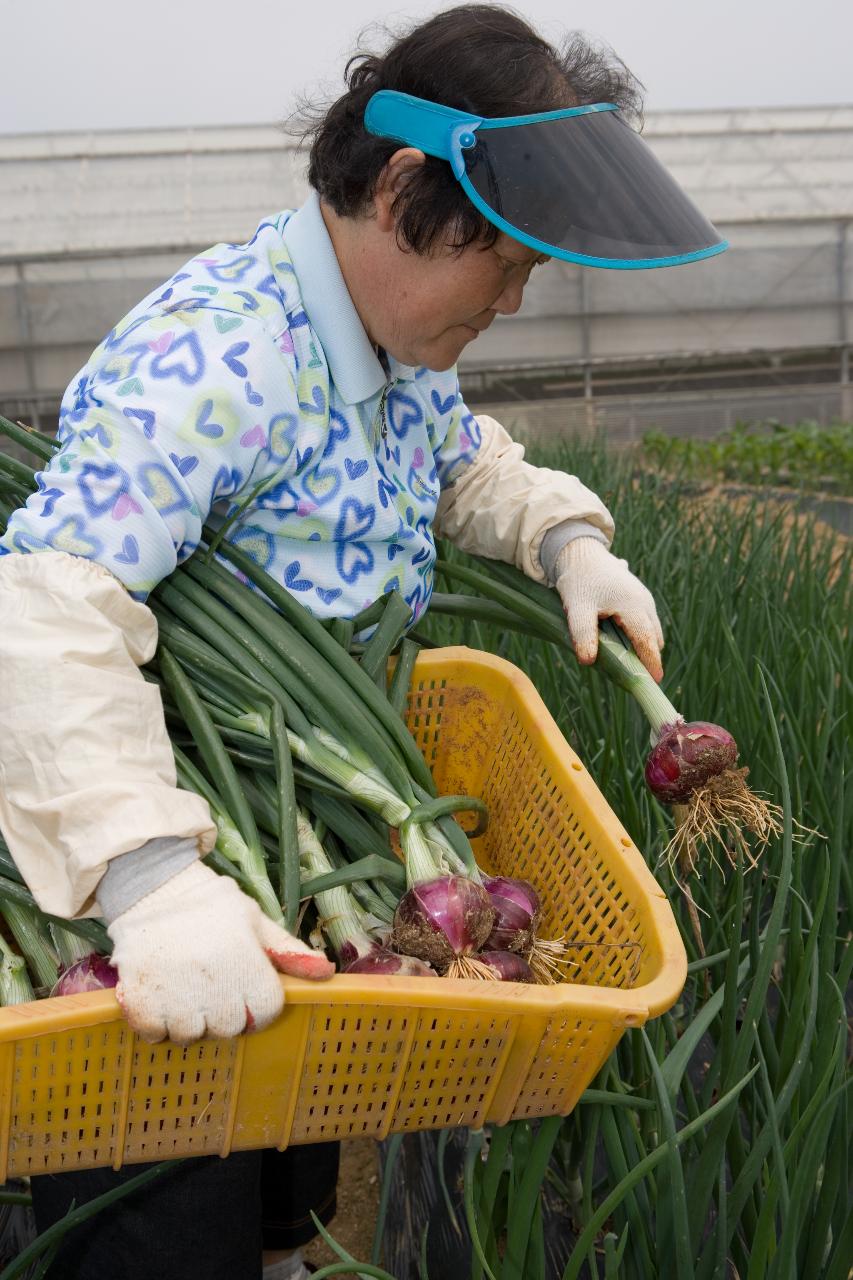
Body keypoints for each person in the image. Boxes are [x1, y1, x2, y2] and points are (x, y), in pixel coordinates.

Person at [0, 5, 725, 1278]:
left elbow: (459, 462)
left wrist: (564, 541)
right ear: (400, 191)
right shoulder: (214, 357)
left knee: (287, 1151)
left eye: (526, 276)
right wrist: (147, 878)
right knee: (174, 1192)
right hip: (178, 835)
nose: (509, 298)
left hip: (294, 839)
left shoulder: (390, 351)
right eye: (498, 263)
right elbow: (47, 605)